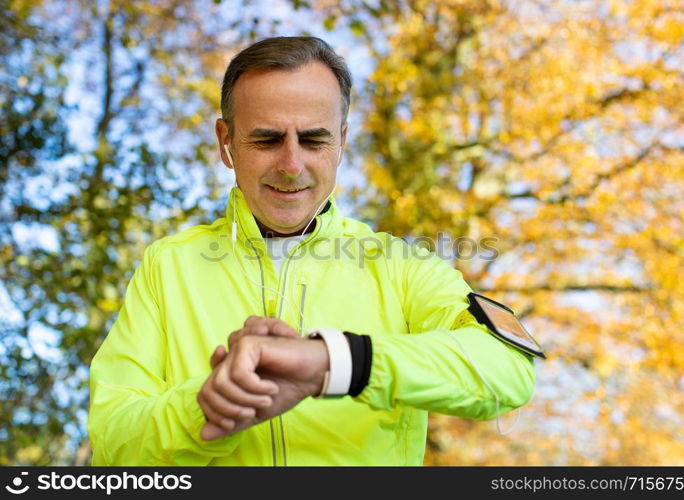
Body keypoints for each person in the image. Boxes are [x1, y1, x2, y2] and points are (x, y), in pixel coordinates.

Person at [88, 36, 536, 466]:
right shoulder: (167, 266)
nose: (291, 164)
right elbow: (112, 445)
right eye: (266, 139)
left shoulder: (403, 267)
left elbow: (510, 369)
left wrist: (333, 362)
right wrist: (204, 408)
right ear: (226, 142)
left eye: (314, 140)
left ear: (341, 142)